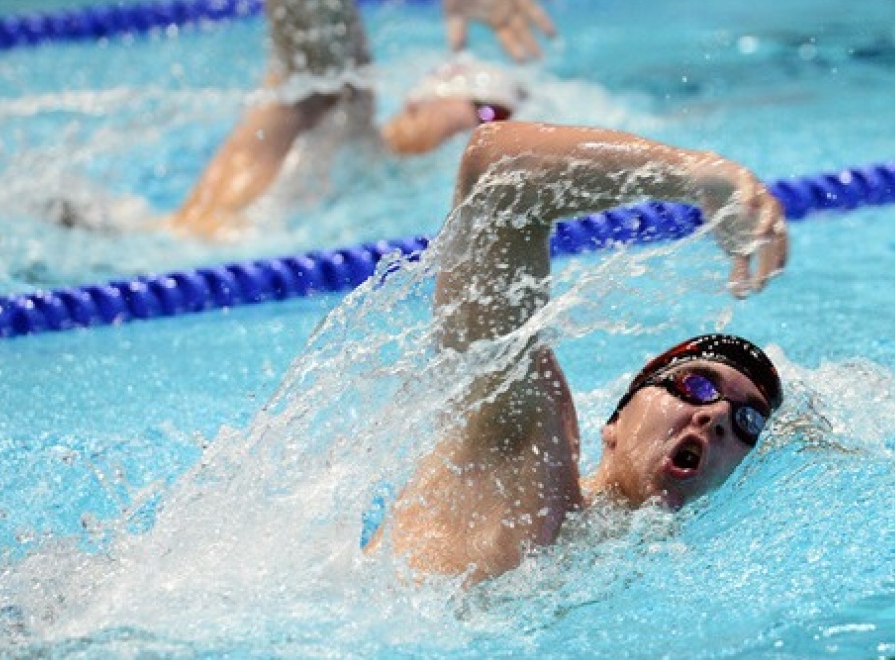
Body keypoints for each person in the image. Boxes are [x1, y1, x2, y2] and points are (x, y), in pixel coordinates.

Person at [370, 120, 789, 584]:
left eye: (747, 421)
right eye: (696, 385)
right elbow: (496, 174)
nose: (716, 417)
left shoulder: (623, 568)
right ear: (614, 422)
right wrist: (695, 173)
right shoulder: (526, 447)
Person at [164, 0, 554, 239]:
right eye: (486, 112)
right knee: (320, 84)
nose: (485, 131)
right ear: (417, 103)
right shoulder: (342, 120)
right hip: (200, 243)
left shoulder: (362, 157)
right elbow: (317, 51)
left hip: (177, 240)